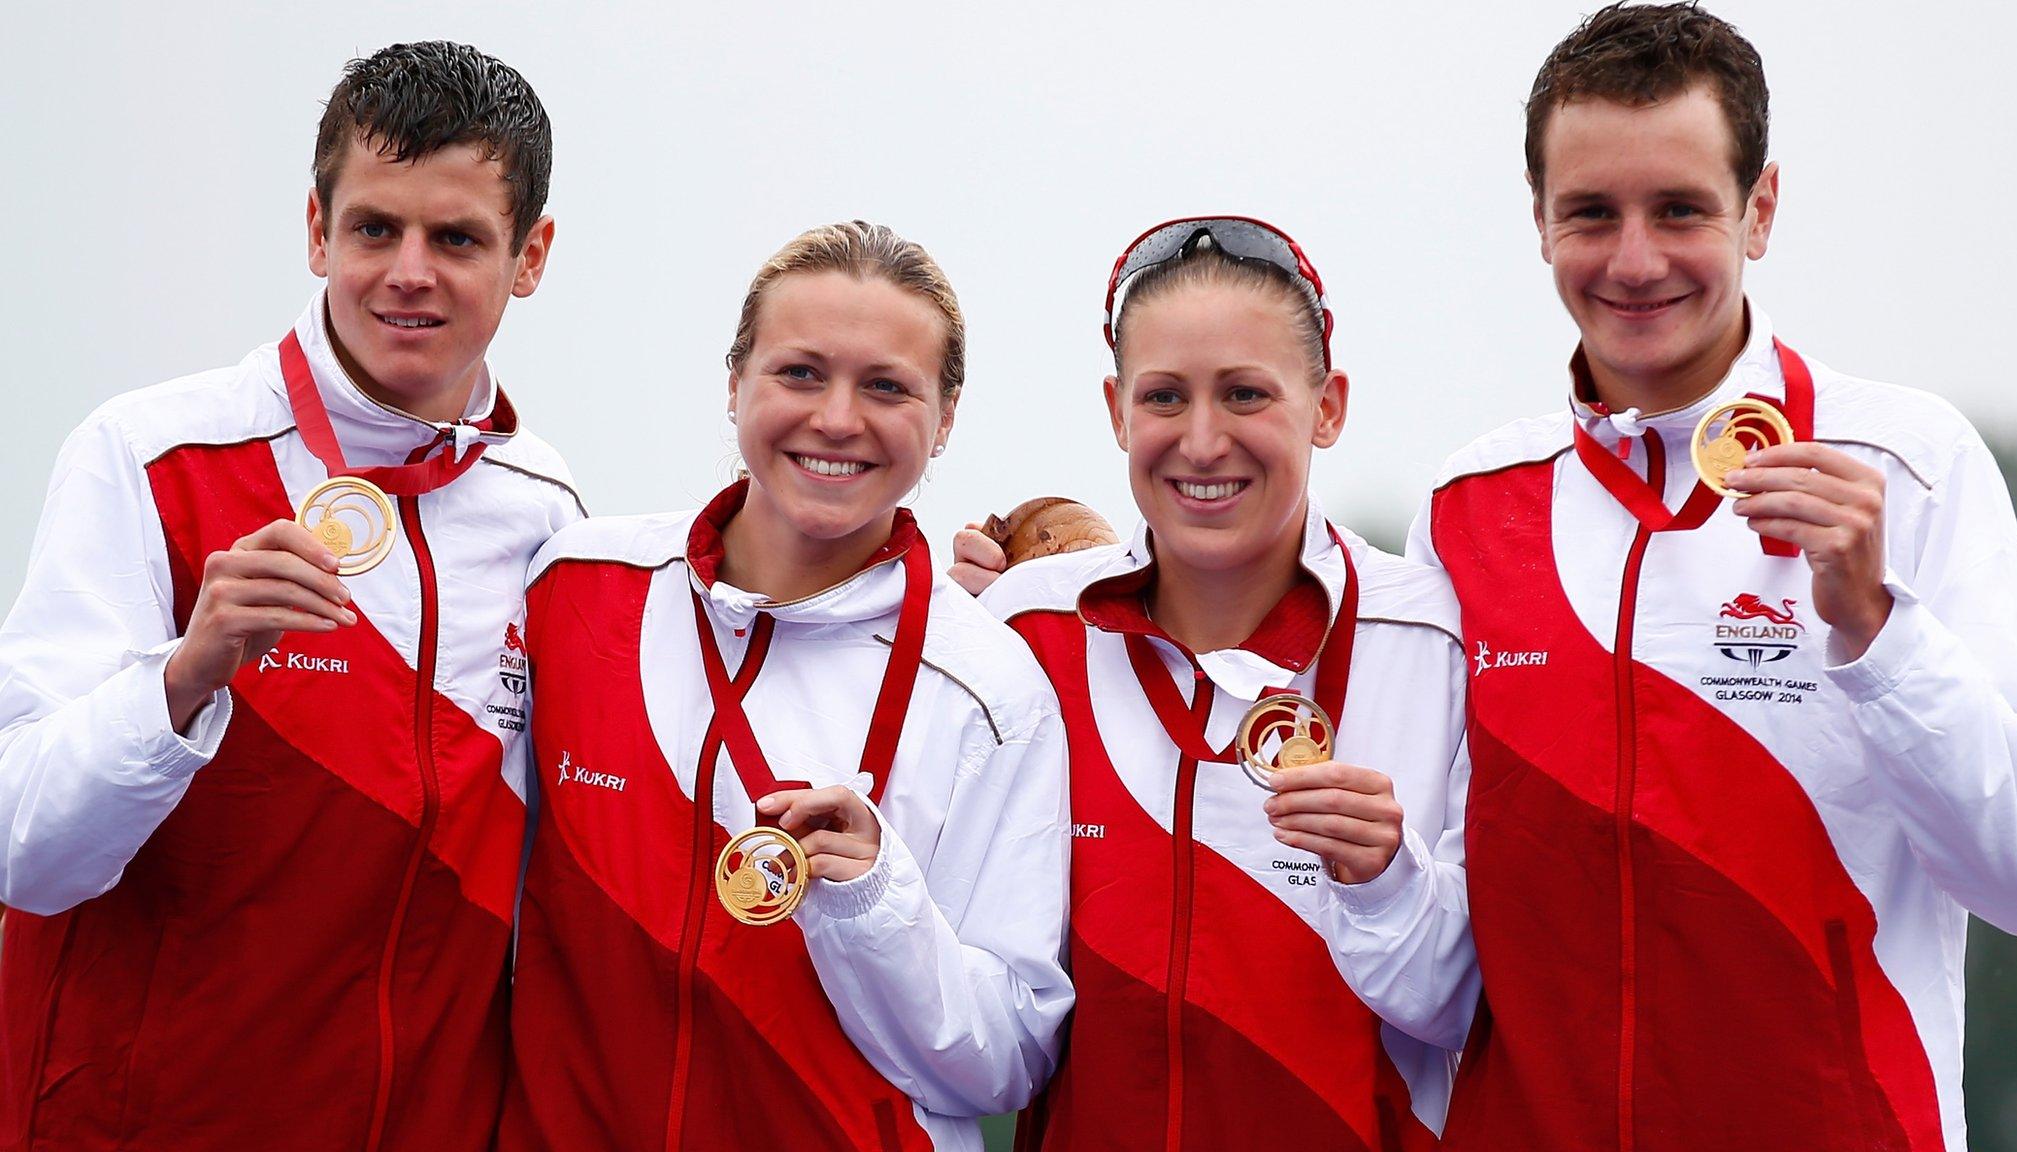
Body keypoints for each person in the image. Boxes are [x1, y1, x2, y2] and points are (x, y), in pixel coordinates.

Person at [1409, 5, 2017, 1149]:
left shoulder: (1908, 463)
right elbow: (1432, 930)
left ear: (1758, 211)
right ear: (1538, 221)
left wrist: (1874, 629)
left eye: (1679, 210)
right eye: (1591, 214)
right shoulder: (1466, 508)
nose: (1634, 259)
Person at [0, 42, 577, 1151]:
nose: (409, 271)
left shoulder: (546, 511)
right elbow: (29, 851)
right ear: (317, 233)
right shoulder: (152, 455)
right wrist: (183, 678)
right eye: (374, 228)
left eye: (456, 237)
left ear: (530, 255)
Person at [500, 221, 1072, 1152]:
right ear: (735, 383)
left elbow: (1008, 1056)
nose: (838, 418)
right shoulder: (576, 589)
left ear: (948, 416)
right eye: (800, 372)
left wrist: (878, 903)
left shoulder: (990, 690)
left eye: (887, 385)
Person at [953, 217, 1477, 1150]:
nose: (1202, 442)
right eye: (1164, 397)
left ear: (1328, 406)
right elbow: (979, 1004)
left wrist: (1386, 883)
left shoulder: (1435, 638)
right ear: (1115, 409)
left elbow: (1470, 1010)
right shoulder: (1025, 630)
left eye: (1245, 394)